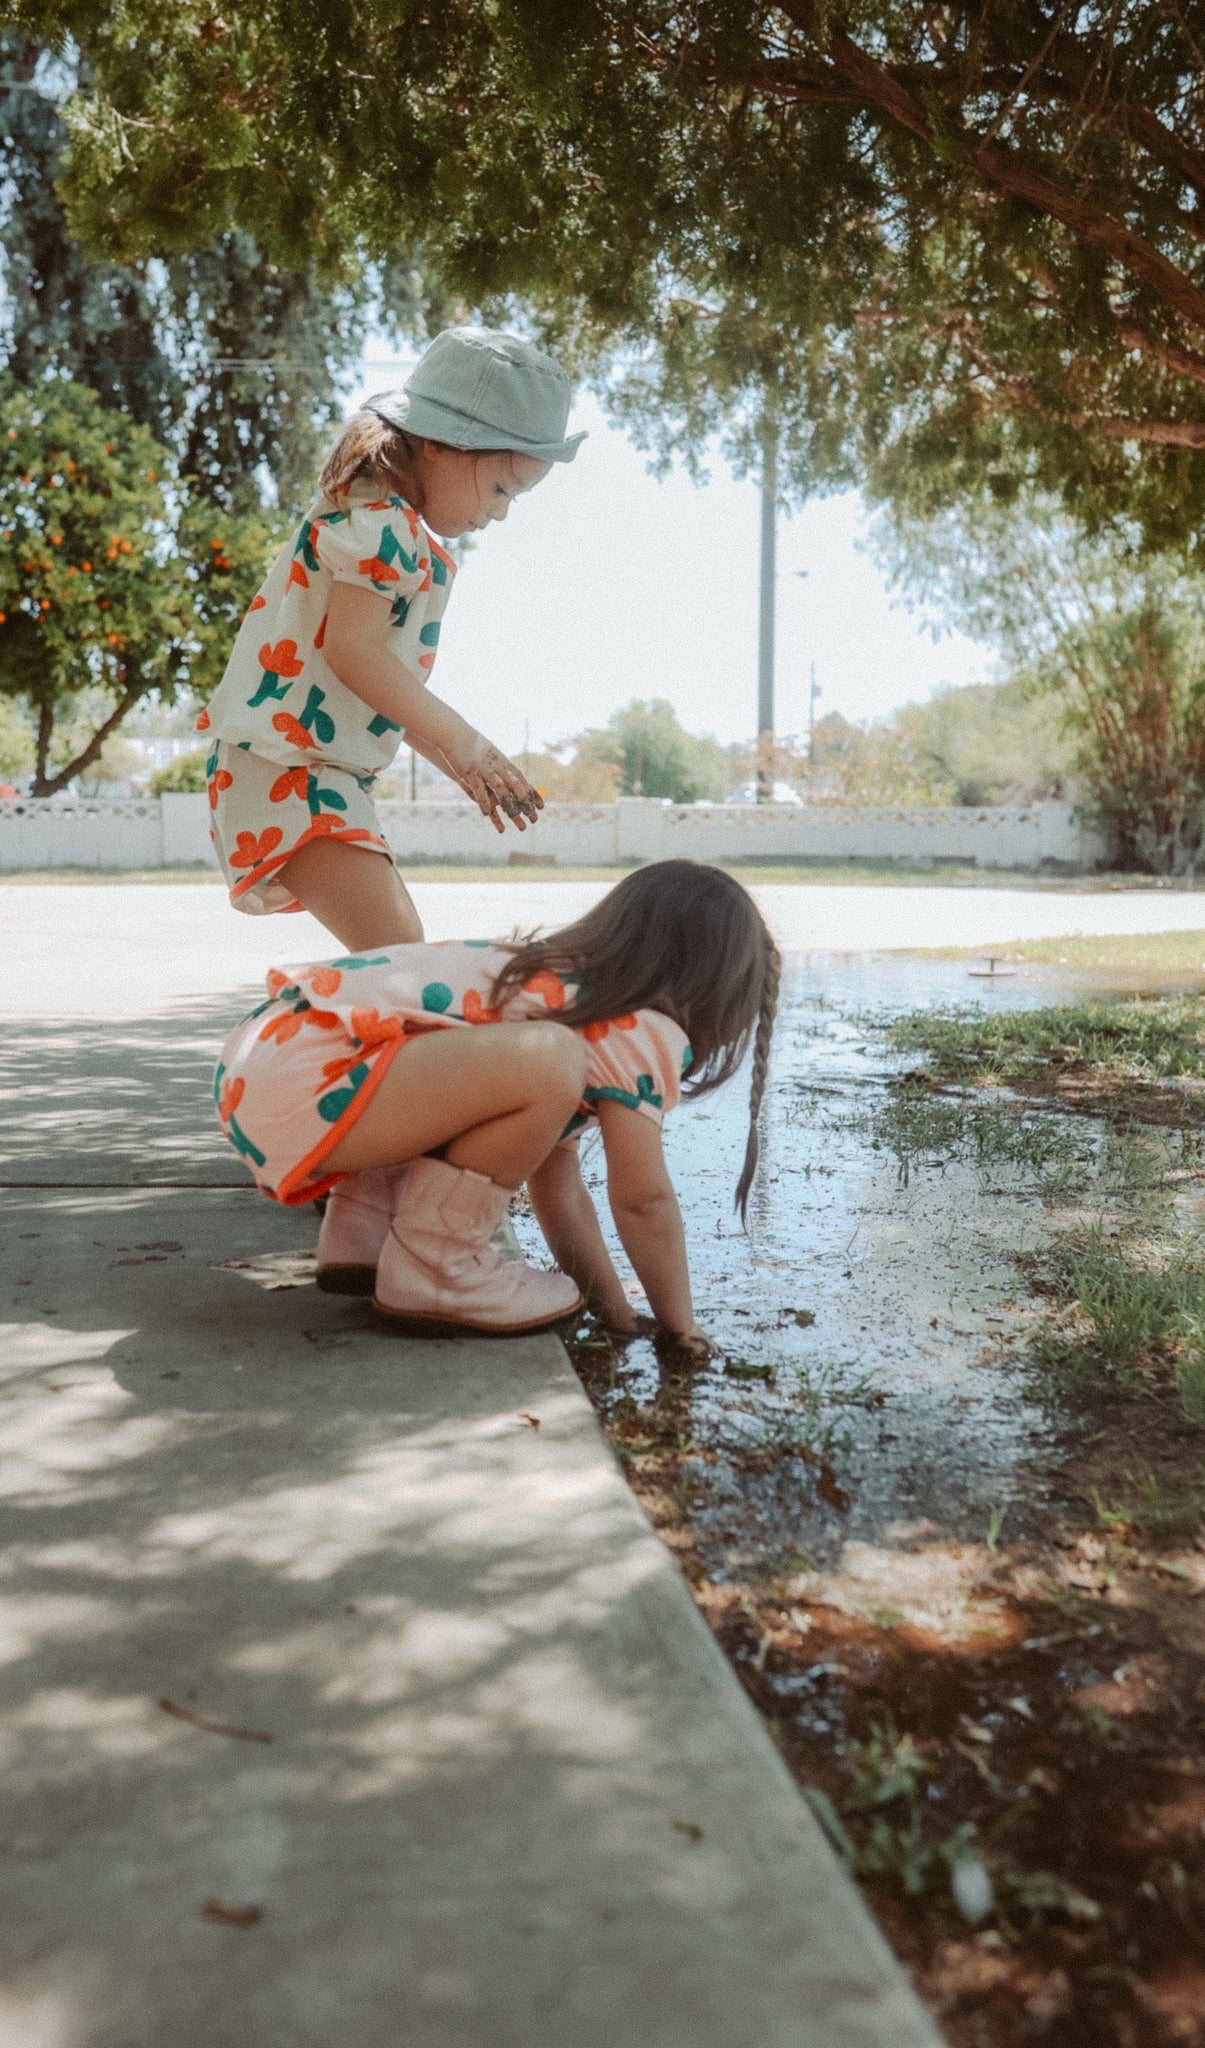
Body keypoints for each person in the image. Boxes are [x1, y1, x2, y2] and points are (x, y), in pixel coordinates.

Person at [213, 863, 780, 1347]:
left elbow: (558, 1193)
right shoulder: (637, 1026)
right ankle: (438, 1269)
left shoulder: (557, 992)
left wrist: (618, 1314)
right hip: (310, 1079)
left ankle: (364, 1232)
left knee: (522, 1060)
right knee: (551, 1056)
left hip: (266, 1064)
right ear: (713, 986)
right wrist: (685, 1332)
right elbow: (643, 1201)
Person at [196, 327, 585, 950]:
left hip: (296, 765)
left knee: (393, 956)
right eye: (502, 487)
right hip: (291, 768)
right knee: (399, 956)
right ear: (439, 443)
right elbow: (353, 655)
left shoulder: (376, 518)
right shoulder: (383, 528)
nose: (502, 512)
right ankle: (300, 1044)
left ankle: (340, 1041)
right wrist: (468, 743)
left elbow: (377, 684)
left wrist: (461, 762)